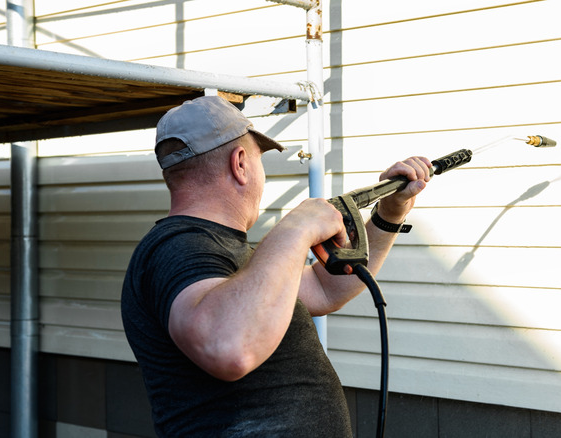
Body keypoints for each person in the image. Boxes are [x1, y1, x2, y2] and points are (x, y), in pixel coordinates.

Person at [120, 95, 430, 437]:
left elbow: (326, 289)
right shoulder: (179, 248)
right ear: (240, 163)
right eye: (259, 159)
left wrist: (389, 214)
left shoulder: (226, 252)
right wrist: (296, 227)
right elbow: (230, 348)